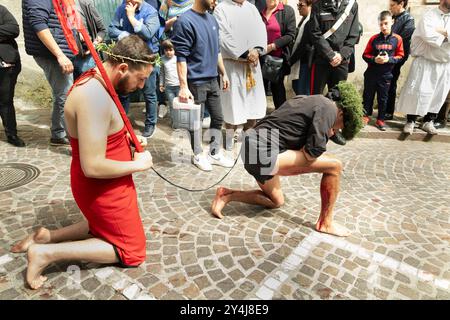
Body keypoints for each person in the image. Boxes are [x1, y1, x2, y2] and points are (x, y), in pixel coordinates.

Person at [10, 35, 155, 290]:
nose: (142, 86)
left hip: (110, 185)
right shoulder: (94, 97)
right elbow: (93, 166)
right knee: (132, 251)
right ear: (122, 68)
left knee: (101, 227)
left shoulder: (97, 78)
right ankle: (45, 253)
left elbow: (103, 135)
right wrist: (139, 165)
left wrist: (125, 142)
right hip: (103, 189)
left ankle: (47, 237)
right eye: (141, 78)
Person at [211, 81, 364, 237]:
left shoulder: (309, 100)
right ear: (342, 114)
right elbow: (311, 154)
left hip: (252, 148)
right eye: (339, 127)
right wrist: (326, 135)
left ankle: (226, 195)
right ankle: (325, 223)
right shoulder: (330, 109)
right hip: (262, 151)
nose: (336, 130)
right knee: (335, 166)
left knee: (276, 201)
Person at [171, 0, 234, 171]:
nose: (216, 1)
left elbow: (217, 51)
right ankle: (198, 155)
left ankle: (214, 153)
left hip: (213, 79)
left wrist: (223, 73)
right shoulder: (184, 21)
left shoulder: (212, 19)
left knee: (218, 117)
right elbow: (181, 57)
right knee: (196, 123)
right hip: (195, 82)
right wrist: (183, 86)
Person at [213, 0, 267, 151]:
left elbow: (260, 30)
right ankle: (229, 137)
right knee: (232, 102)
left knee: (253, 102)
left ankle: (248, 135)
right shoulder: (221, 8)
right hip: (233, 65)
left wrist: (256, 50)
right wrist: (245, 53)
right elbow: (222, 35)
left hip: (252, 64)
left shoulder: (252, 9)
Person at [22, 0, 75, 146]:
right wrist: (60, 55)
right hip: (52, 54)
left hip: (58, 52)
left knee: (61, 95)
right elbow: (39, 24)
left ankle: (58, 133)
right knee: (66, 97)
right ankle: (77, 146)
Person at [309, 0, 360, 146]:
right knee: (316, 97)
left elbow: (353, 34)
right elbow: (314, 32)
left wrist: (342, 55)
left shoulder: (352, 5)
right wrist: (330, 55)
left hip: (341, 61)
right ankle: (313, 133)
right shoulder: (318, 4)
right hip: (321, 60)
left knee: (337, 98)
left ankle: (333, 131)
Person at [109, 0, 161, 138]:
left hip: (146, 60)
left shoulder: (151, 12)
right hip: (127, 59)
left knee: (149, 94)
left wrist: (131, 18)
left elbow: (148, 33)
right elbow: (111, 29)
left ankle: (150, 124)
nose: (129, 2)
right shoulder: (121, 8)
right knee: (124, 93)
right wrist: (126, 36)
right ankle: (122, 123)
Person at [397, 0, 450, 135]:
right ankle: (411, 121)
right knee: (418, 91)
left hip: (445, 63)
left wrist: (443, 32)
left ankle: (428, 121)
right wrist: (447, 34)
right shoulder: (429, 15)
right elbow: (429, 37)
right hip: (426, 61)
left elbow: (436, 35)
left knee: (438, 94)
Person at [362, 11, 404, 131]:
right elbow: (365, 55)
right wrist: (375, 59)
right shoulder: (374, 38)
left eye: (386, 23)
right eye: (381, 24)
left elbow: (401, 55)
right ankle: (365, 116)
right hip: (371, 73)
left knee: (383, 97)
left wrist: (389, 59)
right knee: (367, 96)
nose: (383, 26)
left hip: (386, 75)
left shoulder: (397, 39)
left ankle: (380, 119)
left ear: (392, 22)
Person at [260, 0, 296, 109]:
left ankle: (281, 119)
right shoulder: (259, 11)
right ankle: (258, 119)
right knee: (259, 91)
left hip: (278, 59)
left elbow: (290, 35)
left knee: (278, 91)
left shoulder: (287, 11)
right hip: (260, 58)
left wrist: (271, 46)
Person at [385, 0, 415, 120]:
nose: (390, 8)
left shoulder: (409, 20)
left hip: (397, 56)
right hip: (386, 53)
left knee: (391, 82)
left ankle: (388, 111)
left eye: (392, 5)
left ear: (401, 4)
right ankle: (383, 109)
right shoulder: (392, 16)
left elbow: (399, 40)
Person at [0, 5, 25, 147]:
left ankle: (11, 134)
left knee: (6, 100)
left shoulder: (1, 10)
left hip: (6, 64)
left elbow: (13, 29)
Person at [73, 0, 107, 80]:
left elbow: (102, 30)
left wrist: (93, 46)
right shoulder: (57, 8)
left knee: (92, 85)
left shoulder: (85, 5)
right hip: (68, 59)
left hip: (87, 58)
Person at [288, 0, 313, 96]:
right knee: (297, 88)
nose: (298, 7)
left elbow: (303, 45)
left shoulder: (311, 21)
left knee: (303, 92)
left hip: (305, 62)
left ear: (310, 5)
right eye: (298, 5)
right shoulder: (303, 20)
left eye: (301, 5)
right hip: (299, 62)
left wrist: (291, 61)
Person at [159, 39, 180, 122]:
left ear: (174, 50)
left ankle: (180, 122)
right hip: (169, 87)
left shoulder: (178, 59)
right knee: (172, 105)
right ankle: (174, 122)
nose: (168, 52)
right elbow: (162, 73)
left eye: (171, 50)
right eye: (166, 50)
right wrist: (161, 84)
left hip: (178, 86)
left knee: (179, 105)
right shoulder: (162, 59)